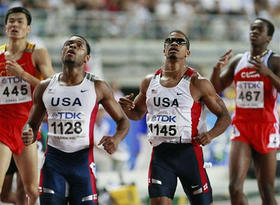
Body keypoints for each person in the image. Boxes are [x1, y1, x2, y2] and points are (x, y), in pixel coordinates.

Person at [119, 30, 231, 205]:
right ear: (164, 50)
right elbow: (136, 114)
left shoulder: (198, 83)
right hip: (160, 155)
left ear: (187, 52)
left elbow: (224, 116)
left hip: (189, 153)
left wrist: (210, 135)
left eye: (180, 42)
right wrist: (126, 109)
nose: (174, 43)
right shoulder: (149, 81)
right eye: (170, 41)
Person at [22, 35, 130, 205]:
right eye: (68, 44)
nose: (72, 47)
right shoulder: (45, 87)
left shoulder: (98, 86)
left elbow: (123, 122)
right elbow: (32, 124)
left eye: (78, 45)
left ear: (87, 58)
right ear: (61, 53)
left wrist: (116, 139)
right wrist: (28, 131)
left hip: (82, 162)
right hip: (53, 162)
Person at [210, 18, 280, 204]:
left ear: (268, 37)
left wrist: (269, 74)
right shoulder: (238, 60)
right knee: (234, 187)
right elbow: (215, 88)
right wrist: (217, 69)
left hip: (266, 127)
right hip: (242, 126)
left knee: (266, 190)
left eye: (259, 30)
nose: (253, 32)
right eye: (252, 29)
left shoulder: (275, 61)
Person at [0, 7, 54, 205]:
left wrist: (22, 74)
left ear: (28, 28)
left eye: (19, 21)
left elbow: (54, 86)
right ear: (6, 27)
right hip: (2, 127)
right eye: (11, 21)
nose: (15, 24)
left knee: (32, 190)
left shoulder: (37, 53)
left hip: (27, 127)